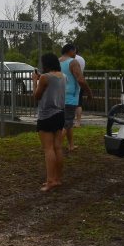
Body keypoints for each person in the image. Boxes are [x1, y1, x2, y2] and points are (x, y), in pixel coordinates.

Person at [32, 52, 66, 192]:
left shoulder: (45, 77)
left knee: (48, 149)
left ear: (46, 64)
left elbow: (36, 96)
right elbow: (51, 86)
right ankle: (57, 179)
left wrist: (35, 80)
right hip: (60, 114)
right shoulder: (62, 76)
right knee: (57, 147)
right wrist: (41, 78)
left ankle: (50, 181)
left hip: (46, 115)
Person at [59, 43, 91, 153]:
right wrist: (89, 92)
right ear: (71, 51)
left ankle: (71, 145)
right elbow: (81, 80)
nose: (75, 54)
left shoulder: (57, 61)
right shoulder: (73, 62)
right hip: (70, 97)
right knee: (67, 122)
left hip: (58, 96)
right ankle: (55, 147)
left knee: (67, 123)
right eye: (75, 51)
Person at [74, 51, 86, 127]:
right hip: (81, 81)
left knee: (76, 103)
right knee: (79, 103)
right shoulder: (81, 59)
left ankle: (76, 121)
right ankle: (78, 121)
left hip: (74, 82)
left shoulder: (72, 59)